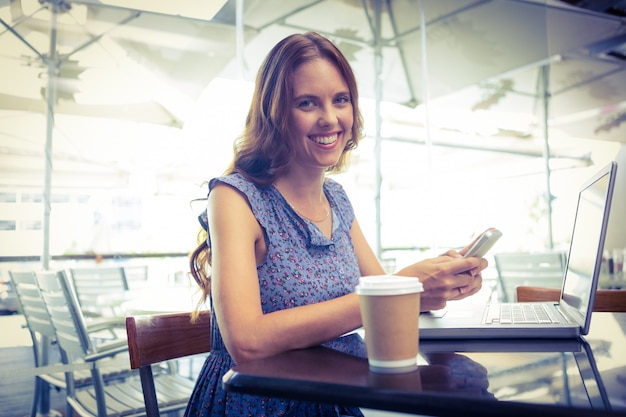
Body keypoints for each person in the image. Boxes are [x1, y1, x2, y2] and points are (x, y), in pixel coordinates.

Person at [185, 32, 487, 417]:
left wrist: (434, 283)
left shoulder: (338, 200)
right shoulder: (234, 197)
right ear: (275, 112)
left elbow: (387, 299)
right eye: (307, 103)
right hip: (260, 404)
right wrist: (400, 292)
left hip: (337, 398)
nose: (330, 119)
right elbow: (246, 341)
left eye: (340, 100)